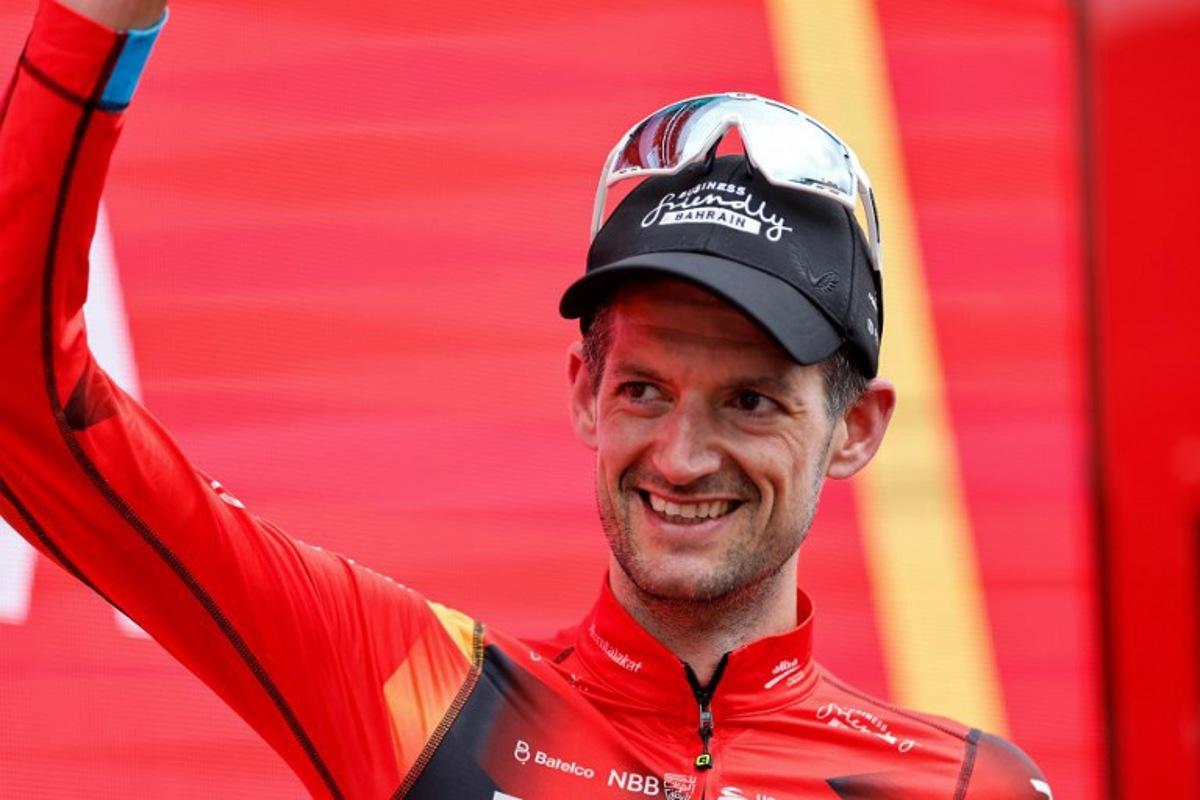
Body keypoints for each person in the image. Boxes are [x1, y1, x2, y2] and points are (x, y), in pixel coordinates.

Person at [0, 1, 1053, 798]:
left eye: (750, 401)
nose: (683, 454)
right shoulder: (416, 689)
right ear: (584, 390)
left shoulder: (965, 783)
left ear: (855, 429)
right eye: (644, 387)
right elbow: (24, 408)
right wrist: (100, 22)